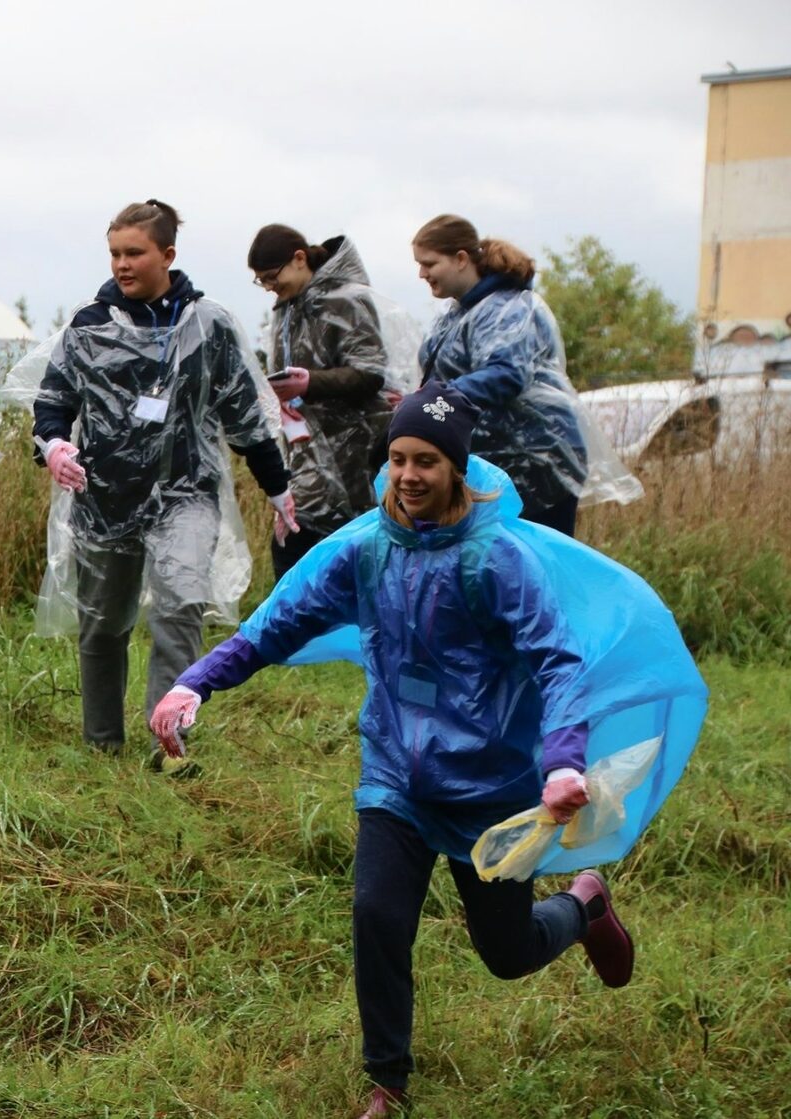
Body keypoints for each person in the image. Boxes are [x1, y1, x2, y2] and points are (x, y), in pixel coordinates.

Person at [151, 381, 706, 1117]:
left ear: (457, 468)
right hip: (397, 776)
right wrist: (196, 682)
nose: (408, 475)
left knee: (507, 954)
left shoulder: (497, 559)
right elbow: (277, 624)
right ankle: (388, 1081)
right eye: (399, 457)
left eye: (427, 461)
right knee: (377, 913)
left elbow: (557, 660)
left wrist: (564, 759)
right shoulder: (366, 548)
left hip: (490, 785)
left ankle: (584, 904)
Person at [3, 200, 292, 771]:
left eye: (134, 252)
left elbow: (244, 414)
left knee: (180, 607)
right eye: (114, 253)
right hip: (104, 494)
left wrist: (277, 487)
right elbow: (53, 402)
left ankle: (170, 741)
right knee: (104, 623)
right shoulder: (89, 326)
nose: (122, 264)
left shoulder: (210, 324)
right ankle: (102, 741)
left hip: (188, 494)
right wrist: (54, 446)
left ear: (168, 254)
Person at [248, 225, 411, 578]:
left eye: (272, 277)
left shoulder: (346, 299)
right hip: (304, 458)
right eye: (260, 281)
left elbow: (370, 372)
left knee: (350, 565)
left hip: (355, 459)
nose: (269, 287)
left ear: (300, 259)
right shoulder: (285, 310)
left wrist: (308, 383)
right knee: (294, 565)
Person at [411, 215, 589, 535]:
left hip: (534, 463)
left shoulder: (508, 307)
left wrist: (432, 400)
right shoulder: (458, 312)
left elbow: (506, 374)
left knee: (533, 571)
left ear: (461, 259)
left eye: (429, 263)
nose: (421, 273)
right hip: (491, 463)